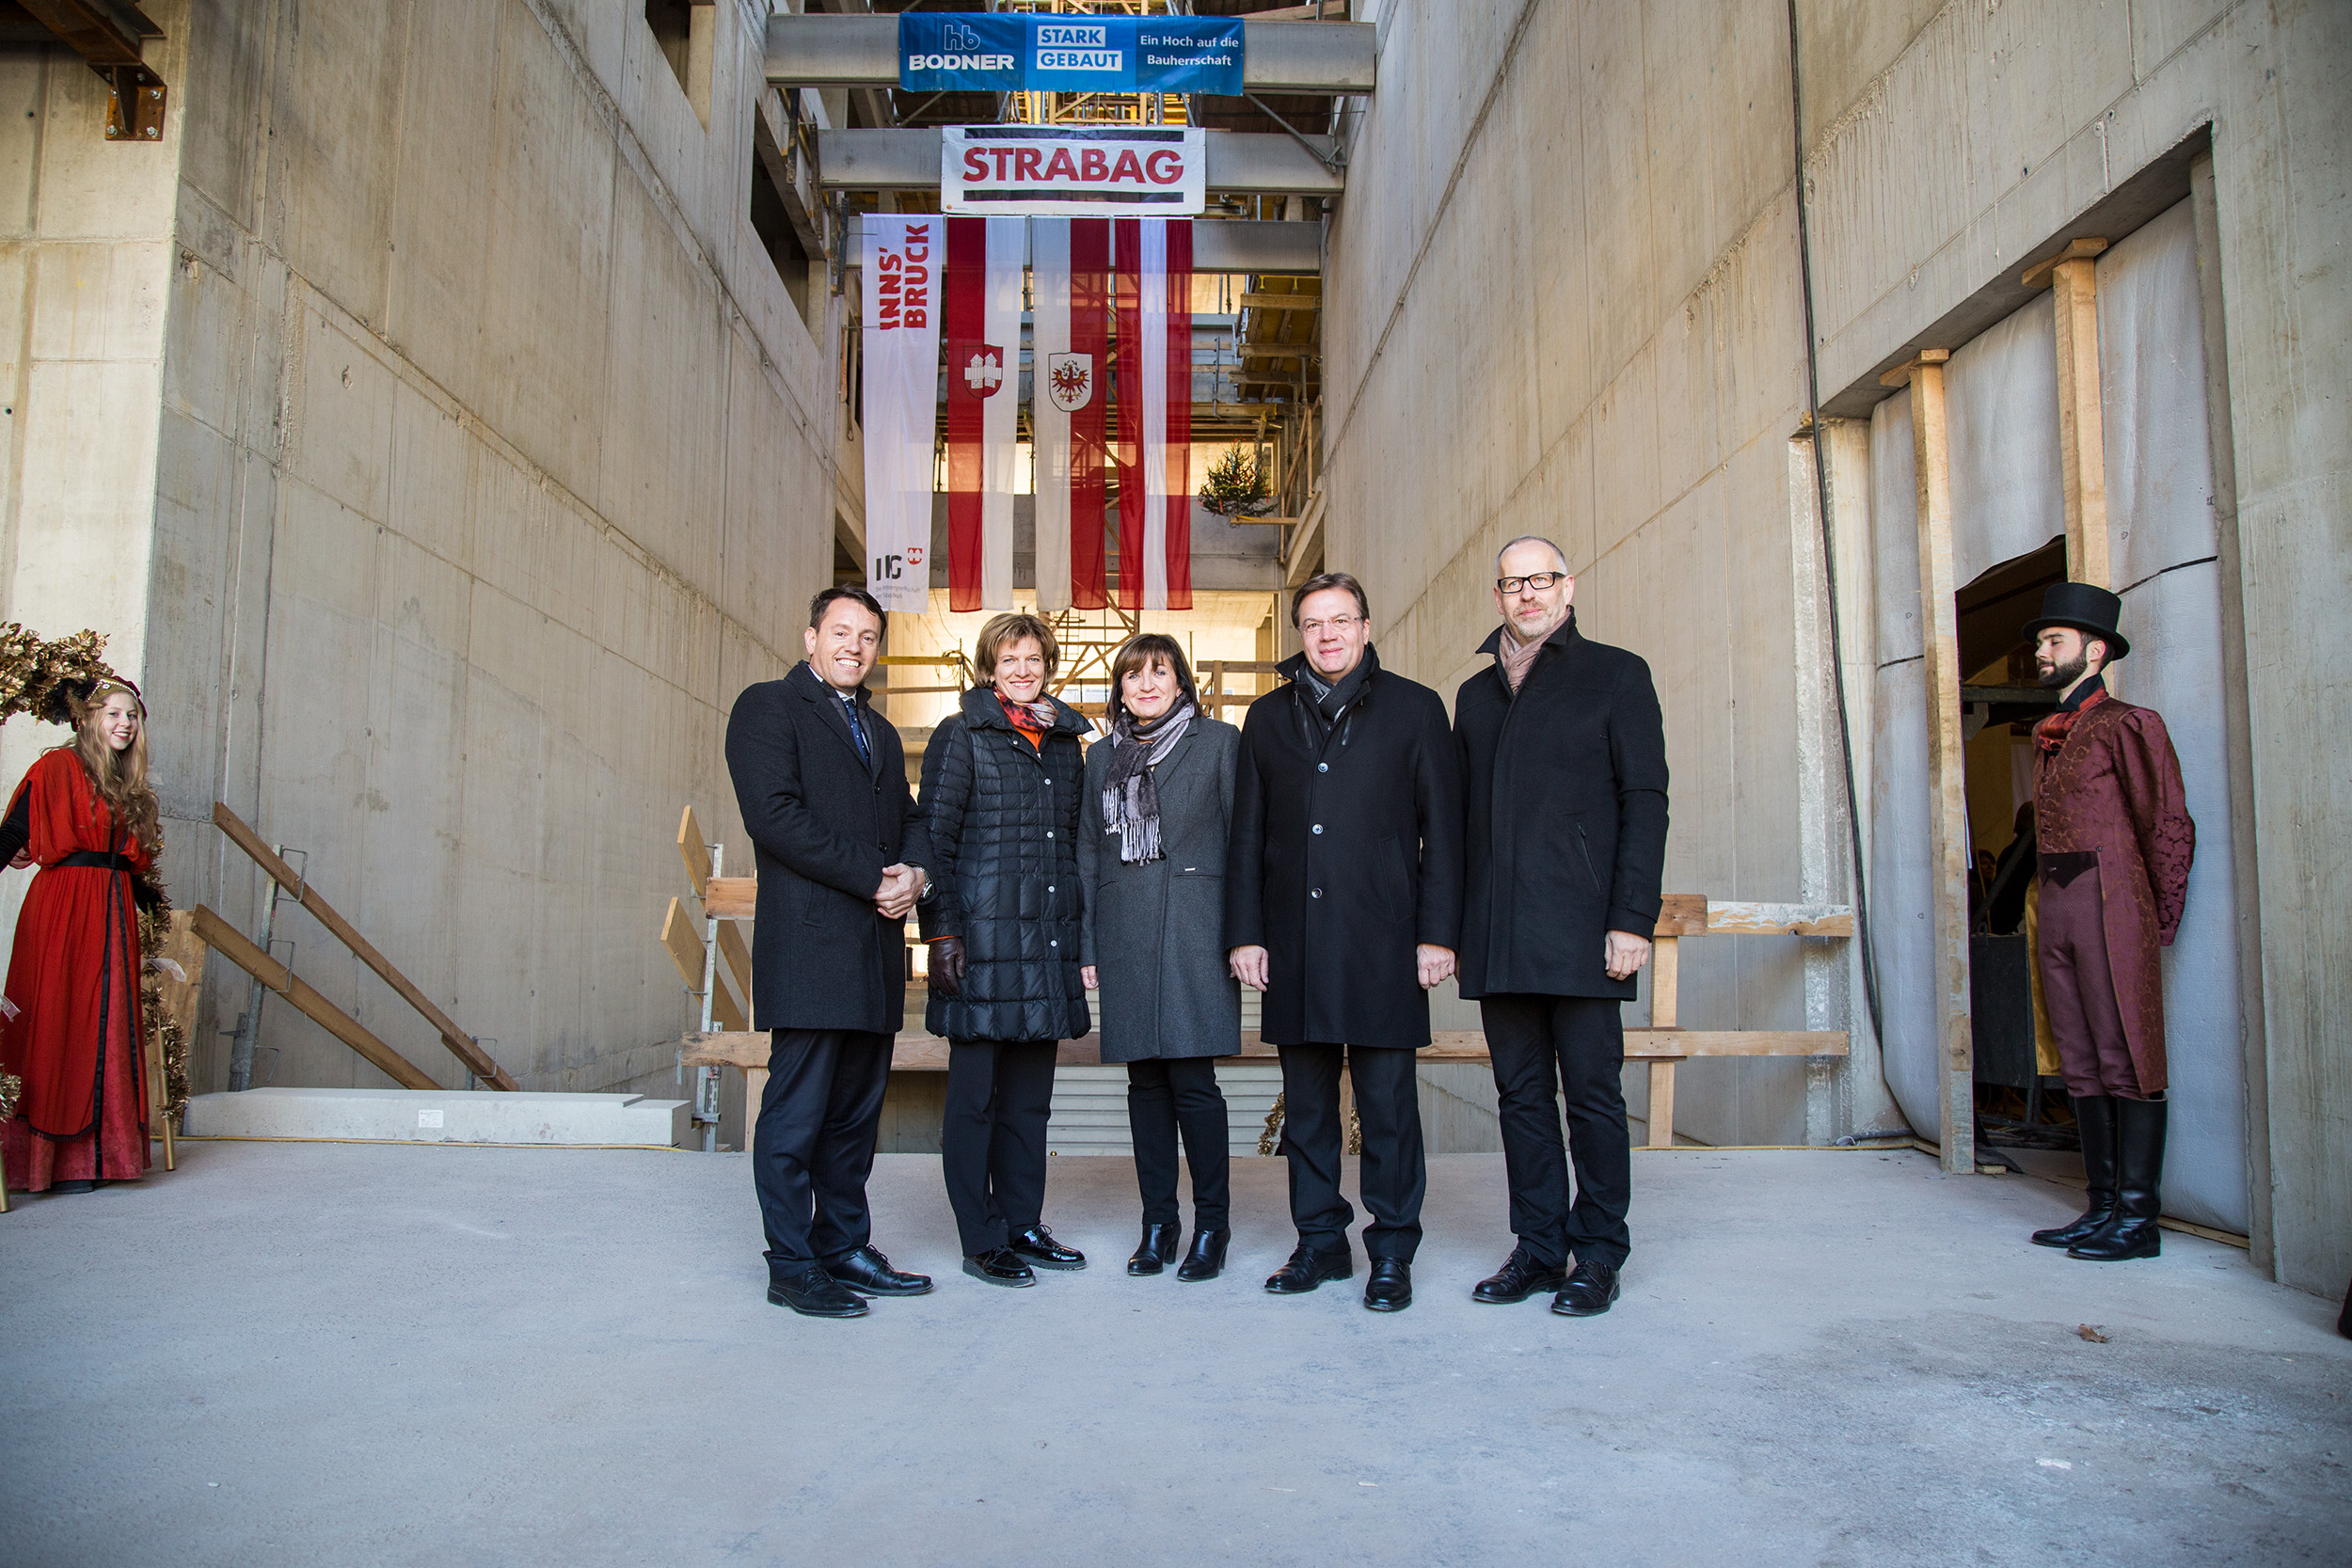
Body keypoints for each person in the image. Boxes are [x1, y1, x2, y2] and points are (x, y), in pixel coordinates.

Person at [1226, 572, 1464, 1313]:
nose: (1327, 634)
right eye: (1312, 623)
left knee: (1389, 1108)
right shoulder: (1266, 717)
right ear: (1299, 633)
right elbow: (1246, 836)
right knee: (1307, 1109)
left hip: (1384, 942)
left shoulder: (1416, 709)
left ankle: (1391, 1250)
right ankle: (1320, 1241)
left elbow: (1444, 833)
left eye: (1340, 620)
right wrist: (1246, 933)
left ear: (1365, 626)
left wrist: (1437, 934)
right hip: (1294, 943)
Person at [1454, 538, 1668, 1318]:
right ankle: (1539, 1248)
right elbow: (1458, 821)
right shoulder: (1476, 695)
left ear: (1567, 587)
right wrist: (1456, 927)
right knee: (1520, 1098)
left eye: (1540, 579)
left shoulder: (1617, 673)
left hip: (1584, 931)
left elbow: (1646, 801)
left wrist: (1632, 918)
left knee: (1593, 1098)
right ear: (1498, 595)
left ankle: (1600, 1252)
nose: (1527, 593)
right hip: (1499, 932)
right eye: (1513, 583)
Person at [724, 587, 933, 1320]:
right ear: (810, 637)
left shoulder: (878, 730)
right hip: (811, 952)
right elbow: (774, 817)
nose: (855, 645)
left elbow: (910, 818)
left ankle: (843, 1244)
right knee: (796, 1118)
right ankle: (791, 1265)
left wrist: (916, 874)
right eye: (841, 631)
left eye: (868, 636)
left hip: (874, 954)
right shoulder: (768, 707)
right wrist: (874, 876)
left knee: (852, 1119)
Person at [906, 611, 1092, 1287]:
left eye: (1033, 659)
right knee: (975, 1100)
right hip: (980, 947)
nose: (1022, 670)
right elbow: (932, 840)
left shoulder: (1065, 744)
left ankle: (1021, 1222)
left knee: (1029, 1103)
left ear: (1048, 666)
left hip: (1044, 945)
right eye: (1009, 659)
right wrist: (941, 931)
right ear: (989, 667)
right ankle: (981, 1237)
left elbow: (1072, 846)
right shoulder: (962, 735)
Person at [2020, 582, 2193, 1263]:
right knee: (2080, 1055)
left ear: (2094, 652)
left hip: (2111, 895)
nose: (2041, 651)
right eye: (2041, 641)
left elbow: (2166, 820)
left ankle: (2137, 1218)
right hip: (2058, 901)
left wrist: (2156, 918)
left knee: (2125, 1052)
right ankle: (2101, 1204)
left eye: (2053, 640)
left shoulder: (2129, 723)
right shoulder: (2050, 734)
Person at [1078, 635, 1242, 1282]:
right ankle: (1158, 1223)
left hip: (1196, 927)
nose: (1146, 684)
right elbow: (1088, 852)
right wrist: (1088, 944)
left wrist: (1244, 934)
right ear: (1119, 688)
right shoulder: (1101, 756)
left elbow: (1244, 841)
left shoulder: (1219, 742)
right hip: (1124, 930)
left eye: (1159, 672)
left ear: (1180, 681)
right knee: (1144, 1084)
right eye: (1133, 675)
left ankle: (1212, 1226)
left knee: (1194, 1083)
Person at [0, 678, 162, 1196]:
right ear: (88, 718)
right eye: (114, 713)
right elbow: (13, 833)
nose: (125, 723)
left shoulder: (129, 785)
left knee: (107, 1025)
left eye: (132, 715)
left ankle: (99, 1158)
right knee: (59, 1017)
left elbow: (128, 863)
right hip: (64, 908)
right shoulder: (56, 767)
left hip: (112, 911)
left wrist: (150, 906)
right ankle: (51, 1162)